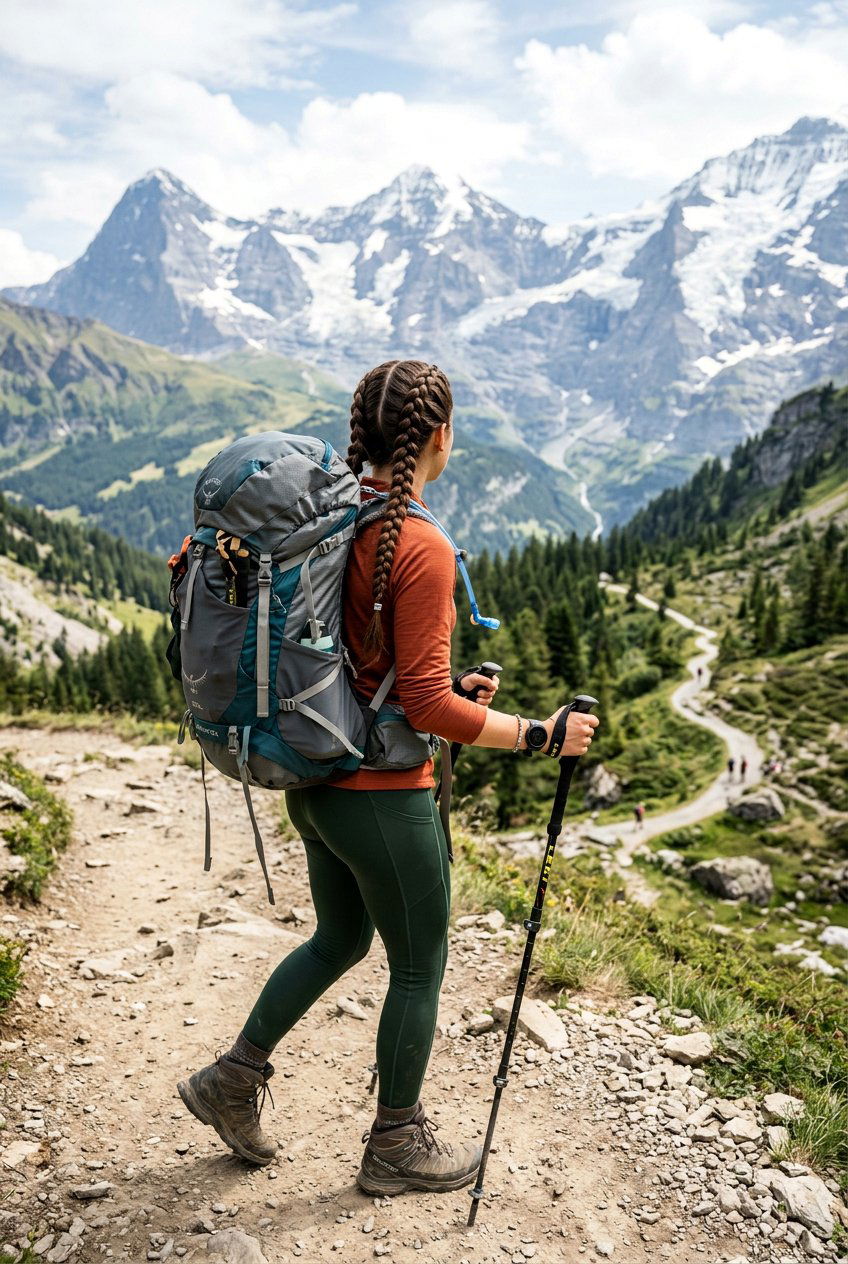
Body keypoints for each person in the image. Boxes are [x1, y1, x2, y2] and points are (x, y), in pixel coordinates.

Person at [177, 360, 599, 1194]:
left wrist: (436, 692)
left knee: (339, 939)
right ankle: (396, 1145)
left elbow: (369, 669)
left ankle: (230, 1081)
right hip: (381, 799)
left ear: (358, 434)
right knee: (419, 965)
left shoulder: (337, 522)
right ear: (438, 436)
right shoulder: (422, 542)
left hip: (315, 776)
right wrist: (539, 735)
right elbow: (429, 704)